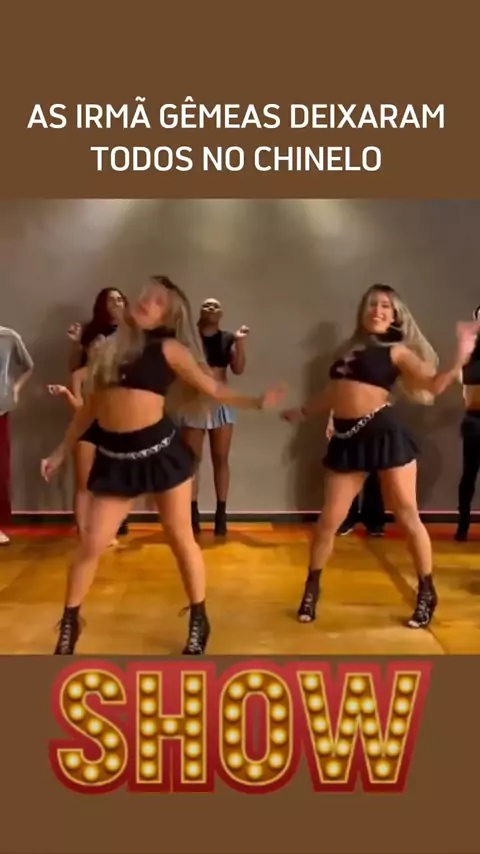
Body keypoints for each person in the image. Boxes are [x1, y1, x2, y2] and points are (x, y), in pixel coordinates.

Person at [41, 275, 284, 656]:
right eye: (146, 295)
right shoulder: (109, 348)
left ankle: (199, 618)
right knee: (91, 543)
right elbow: (89, 409)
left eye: (157, 301)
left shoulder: (170, 350)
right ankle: (69, 624)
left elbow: (213, 388)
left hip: (160, 453)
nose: (146, 301)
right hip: (117, 458)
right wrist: (59, 451)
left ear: (168, 316)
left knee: (180, 537)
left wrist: (255, 402)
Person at [282, 284, 478, 630]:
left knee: (406, 515)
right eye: (372, 304)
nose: (378, 310)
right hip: (348, 439)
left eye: (386, 306)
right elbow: (333, 392)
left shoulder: (397, 352)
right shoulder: (346, 351)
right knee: (328, 521)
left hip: (385, 434)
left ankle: (426, 591)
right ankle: (311, 588)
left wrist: (460, 358)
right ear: (363, 311)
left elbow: (433, 385)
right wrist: (303, 411)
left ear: (395, 316)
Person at [48, 289, 127, 543]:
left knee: (112, 481)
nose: (101, 348)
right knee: (84, 482)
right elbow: (80, 409)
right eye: (96, 345)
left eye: (120, 299)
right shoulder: (80, 374)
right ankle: (84, 533)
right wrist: (66, 394)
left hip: (115, 424)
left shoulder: (119, 374)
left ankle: (106, 530)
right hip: (87, 427)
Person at [181, 297, 250, 536]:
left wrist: (240, 343)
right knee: (192, 461)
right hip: (193, 402)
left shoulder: (228, 338)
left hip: (221, 403)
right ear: (200, 312)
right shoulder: (190, 338)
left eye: (215, 306)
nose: (211, 308)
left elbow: (238, 369)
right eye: (206, 305)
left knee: (221, 458)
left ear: (220, 314)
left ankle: (221, 514)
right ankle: (192, 515)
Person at [326, 412, 386, 536]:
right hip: (348, 422)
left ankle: (374, 521)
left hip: (376, 422)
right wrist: (331, 420)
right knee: (349, 471)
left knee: (374, 473)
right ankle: (346, 519)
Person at [0, 326, 33, 545]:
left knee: (0, 469)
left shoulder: (8, 336)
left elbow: (28, 366)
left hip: (0, 410)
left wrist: (15, 389)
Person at [455, 304, 480, 541]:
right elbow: (462, 379)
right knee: (469, 474)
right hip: (474, 420)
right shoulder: (470, 355)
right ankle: (463, 525)